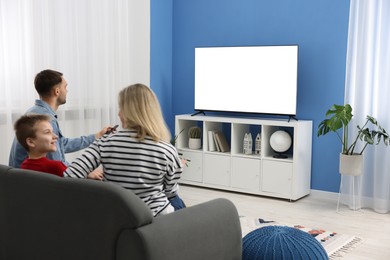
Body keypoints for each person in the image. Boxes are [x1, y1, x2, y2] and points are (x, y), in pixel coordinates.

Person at [64, 83, 185, 216]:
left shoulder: (104, 142)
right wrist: (178, 167)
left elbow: (71, 175)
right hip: (154, 219)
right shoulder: (167, 150)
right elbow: (170, 191)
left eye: (121, 108)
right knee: (176, 200)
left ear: (129, 113)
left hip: (116, 215)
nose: (118, 114)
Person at [9, 69, 112, 168]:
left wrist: (96, 136)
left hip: (21, 179)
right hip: (32, 182)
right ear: (57, 91)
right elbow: (57, 163)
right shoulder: (46, 120)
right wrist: (85, 172)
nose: (67, 91)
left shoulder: (34, 112)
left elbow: (62, 144)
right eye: (65, 87)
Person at [14, 113, 103, 180]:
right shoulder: (56, 167)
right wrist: (87, 174)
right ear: (30, 142)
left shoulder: (24, 165)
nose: (55, 136)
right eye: (47, 132)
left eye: (53, 132)